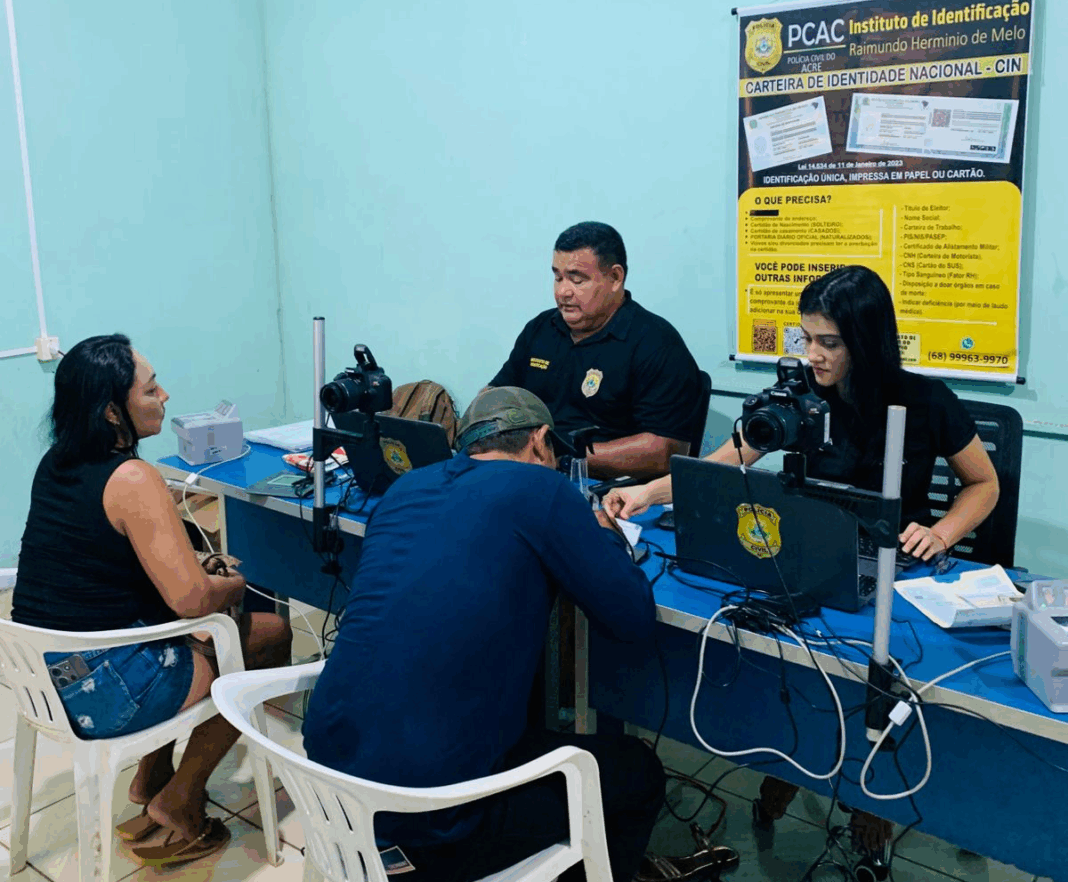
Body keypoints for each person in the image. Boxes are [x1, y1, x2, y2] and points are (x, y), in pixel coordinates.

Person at [604, 265, 1000, 854]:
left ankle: (870, 792)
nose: (812, 355)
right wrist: (646, 492)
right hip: (805, 569)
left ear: (864, 341)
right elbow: (725, 460)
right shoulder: (800, 399)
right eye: (804, 338)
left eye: (828, 343)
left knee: (874, 675)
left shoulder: (923, 400)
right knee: (783, 661)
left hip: (888, 580)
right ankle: (800, 756)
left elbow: (983, 484)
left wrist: (942, 533)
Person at [301, 386, 739, 882]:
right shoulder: (544, 490)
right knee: (637, 774)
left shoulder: (406, 488)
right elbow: (632, 618)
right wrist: (602, 533)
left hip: (329, 787)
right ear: (539, 441)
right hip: (432, 828)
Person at [12, 334, 292, 867]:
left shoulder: (57, 463)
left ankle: (150, 777)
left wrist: (193, 573)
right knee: (268, 636)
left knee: (185, 631)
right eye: (151, 388)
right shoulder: (133, 477)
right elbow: (191, 600)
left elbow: (107, 561)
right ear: (111, 412)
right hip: (99, 692)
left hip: (43, 676)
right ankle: (179, 803)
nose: (164, 396)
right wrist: (229, 583)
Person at [489, 221, 704, 480]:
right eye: (557, 277)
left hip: (610, 490)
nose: (562, 292)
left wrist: (560, 458)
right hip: (529, 472)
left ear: (615, 278)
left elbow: (664, 451)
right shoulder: (541, 329)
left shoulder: (655, 342)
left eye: (577, 280)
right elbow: (494, 396)